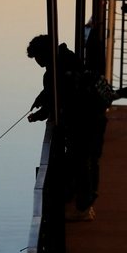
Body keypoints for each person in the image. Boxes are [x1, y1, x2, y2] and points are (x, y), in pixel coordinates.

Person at [27, 34, 106, 221]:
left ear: (44, 53)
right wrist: (42, 99)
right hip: (94, 117)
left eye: (37, 57)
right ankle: (84, 205)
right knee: (87, 161)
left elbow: (60, 95)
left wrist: (40, 114)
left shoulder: (57, 68)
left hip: (83, 120)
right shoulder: (67, 59)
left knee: (80, 162)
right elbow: (54, 93)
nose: (36, 61)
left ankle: (83, 208)